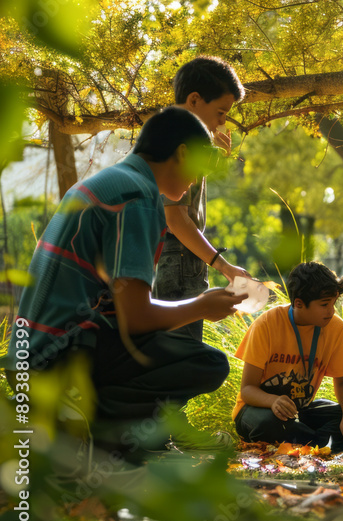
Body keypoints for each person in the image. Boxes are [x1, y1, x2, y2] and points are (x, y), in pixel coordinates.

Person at [4, 107, 246, 448]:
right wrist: (202, 306)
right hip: (58, 359)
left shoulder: (116, 183)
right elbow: (137, 319)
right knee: (206, 363)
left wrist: (200, 304)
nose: (196, 181)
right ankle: (91, 430)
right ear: (182, 153)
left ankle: (88, 427)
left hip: (30, 358)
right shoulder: (136, 198)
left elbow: (130, 306)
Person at [153, 55, 249, 341]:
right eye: (220, 112)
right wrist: (223, 265)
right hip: (177, 257)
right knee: (181, 357)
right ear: (194, 100)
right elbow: (176, 218)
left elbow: (190, 193)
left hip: (183, 258)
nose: (222, 122)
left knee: (179, 355)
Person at [233, 262, 343, 451]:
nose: (331, 311)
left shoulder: (336, 328)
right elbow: (247, 390)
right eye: (324, 305)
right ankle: (317, 445)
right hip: (258, 410)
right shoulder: (267, 324)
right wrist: (273, 401)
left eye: (333, 303)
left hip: (298, 411)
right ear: (299, 303)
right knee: (269, 424)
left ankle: (302, 444)